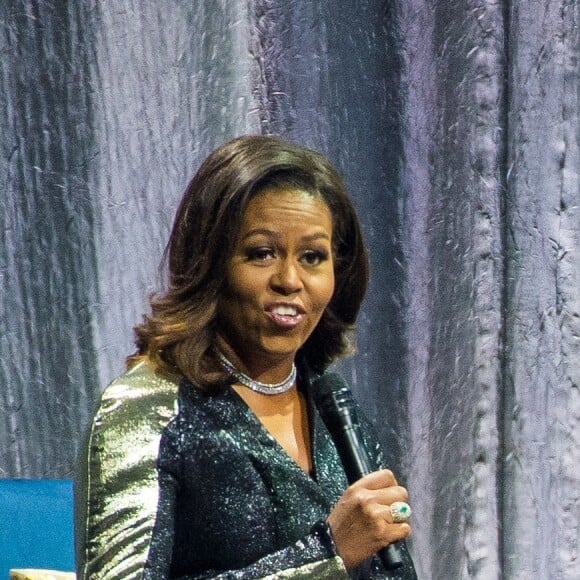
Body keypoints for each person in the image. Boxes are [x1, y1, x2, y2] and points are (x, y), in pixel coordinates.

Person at [75, 135, 417, 579]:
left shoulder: (334, 410)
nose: (289, 279)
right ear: (210, 262)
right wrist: (327, 554)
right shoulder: (147, 410)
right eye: (261, 254)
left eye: (313, 257)